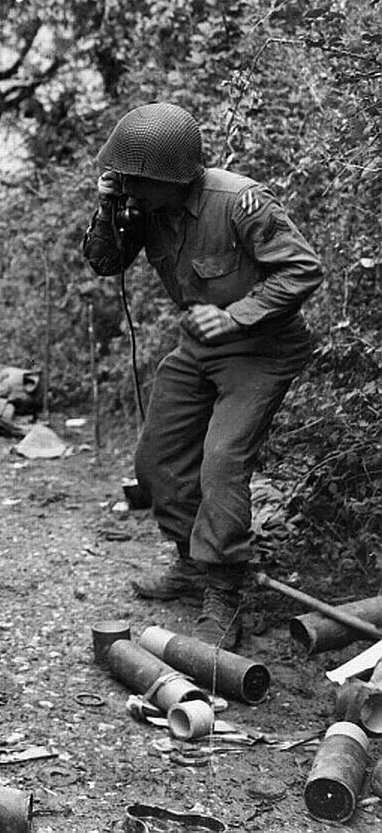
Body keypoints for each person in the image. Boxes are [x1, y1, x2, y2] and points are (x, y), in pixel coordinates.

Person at [82, 102, 323, 647]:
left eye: (138, 180)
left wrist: (237, 315)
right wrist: (107, 209)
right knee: (157, 459)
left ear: (174, 177)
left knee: (222, 462)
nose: (130, 187)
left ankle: (224, 590)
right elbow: (104, 262)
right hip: (202, 344)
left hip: (263, 348)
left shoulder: (237, 200)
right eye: (125, 178)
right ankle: (190, 564)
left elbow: (303, 268)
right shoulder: (142, 206)